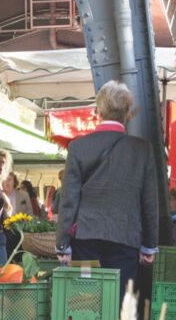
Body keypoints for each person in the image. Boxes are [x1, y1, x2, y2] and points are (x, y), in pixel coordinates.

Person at [56, 81, 159, 294]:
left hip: (86, 237)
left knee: (87, 299)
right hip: (126, 236)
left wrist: (62, 243)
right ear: (128, 113)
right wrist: (149, 245)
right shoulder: (142, 150)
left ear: (99, 111)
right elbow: (150, 201)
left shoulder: (78, 147)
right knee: (121, 300)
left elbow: (69, 199)